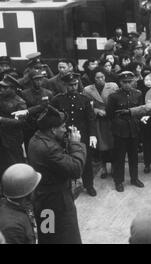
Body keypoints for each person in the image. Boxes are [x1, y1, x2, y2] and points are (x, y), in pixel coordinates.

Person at [29, 105, 86, 244]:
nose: (65, 129)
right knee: (68, 236)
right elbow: (75, 169)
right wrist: (75, 144)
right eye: (63, 127)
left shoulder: (37, 138)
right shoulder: (50, 149)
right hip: (57, 202)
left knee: (47, 235)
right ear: (53, 130)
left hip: (42, 199)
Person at [51, 72, 97, 197]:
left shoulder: (85, 99)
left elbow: (91, 119)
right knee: (65, 161)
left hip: (82, 136)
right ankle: (68, 186)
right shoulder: (57, 100)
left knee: (86, 161)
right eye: (70, 85)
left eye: (75, 84)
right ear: (65, 85)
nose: (73, 87)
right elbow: (53, 119)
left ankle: (89, 185)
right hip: (63, 136)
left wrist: (93, 135)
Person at [106, 71, 144, 192]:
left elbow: (141, 110)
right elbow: (110, 114)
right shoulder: (113, 96)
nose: (127, 84)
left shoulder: (138, 94)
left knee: (134, 156)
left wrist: (137, 122)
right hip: (120, 130)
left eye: (129, 82)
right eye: (124, 82)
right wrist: (118, 124)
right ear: (120, 82)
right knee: (119, 157)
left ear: (133, 81)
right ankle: (119, 181)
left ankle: (134, 178)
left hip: (134, 129)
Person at [83, 68, 119, 179]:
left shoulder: (113, 86)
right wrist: (96, 111)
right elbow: (86, 105)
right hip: (98, 121)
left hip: (111, 119)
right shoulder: (88, 90)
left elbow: (118, 101)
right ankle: (103, 167)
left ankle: (113, 166)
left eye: (102, 77)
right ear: (93, 79)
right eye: (97, 77)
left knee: (113, 144)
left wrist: (110, 111)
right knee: (101, 145)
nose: (100, 79)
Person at [0, 164, 41, 244]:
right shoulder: (12, 228)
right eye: (34, 188)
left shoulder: (13, 207)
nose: (37, 191)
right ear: (28, 193)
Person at [17, 71, 53, 153]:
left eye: (40, 79)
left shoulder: (48, 93)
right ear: (31, 80)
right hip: (30, 127)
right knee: (30, 149)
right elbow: (23, 111)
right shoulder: (24, 93)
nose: (39, 82)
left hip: (44, 127)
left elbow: (50, 109)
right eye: (36, 79)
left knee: (44, 150)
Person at [0, 74, 26, 169]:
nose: (1, 89)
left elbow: (21, 122)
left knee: (14, 165)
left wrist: (2, 120)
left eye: (4, 87)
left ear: (13, 89)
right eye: (1, 87)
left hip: (12, 139)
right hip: (1, 138)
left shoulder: (20, 103)